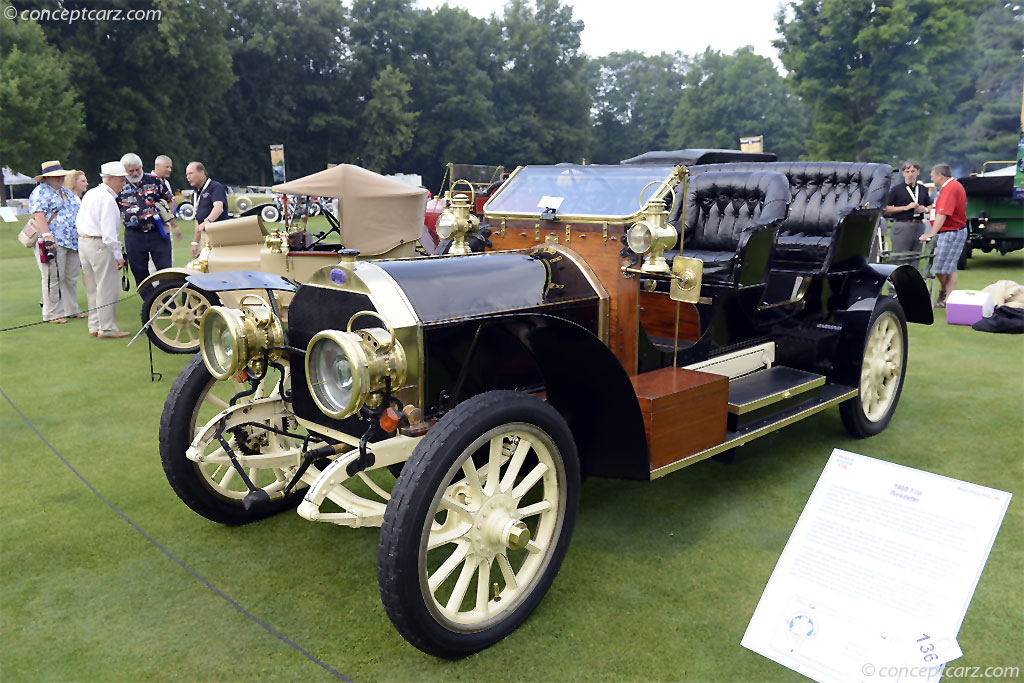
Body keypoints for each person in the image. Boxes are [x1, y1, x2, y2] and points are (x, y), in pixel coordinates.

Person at [77, 162, 131, 339]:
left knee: (93, 288)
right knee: (107, 288)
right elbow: (109, 233)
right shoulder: (107, 199)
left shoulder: (91, 193)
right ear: (111, 179)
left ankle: (95, 325)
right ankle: (107, 328)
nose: (123, 184)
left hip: (84, 244)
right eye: (121, 180)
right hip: (100, 245)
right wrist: (118, 255)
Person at [28, 160, 83, 323]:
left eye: (61, 176)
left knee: (71, 277)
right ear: (46, 178)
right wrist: (47, 236)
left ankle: (70, 309)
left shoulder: (66, 192)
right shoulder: (40, 192)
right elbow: (39, 215)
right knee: (53, 277)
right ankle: (51, 313)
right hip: (53, 241)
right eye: (56, 176)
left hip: (71, 240)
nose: (60, 179)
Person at [117, 152, 176, 296]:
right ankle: (151, 302)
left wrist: (169, 220)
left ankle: (168, 302)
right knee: (139, 271)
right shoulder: (119, 185)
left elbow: (170, 200)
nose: (136, 173)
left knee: (165, 270)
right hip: (134, 234)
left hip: (157, 231)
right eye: (131, 171)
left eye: (138, 169)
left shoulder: (154, 180)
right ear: (125, 171)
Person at [920, 164, 968, 307]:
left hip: (951, 233)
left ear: (940, 175)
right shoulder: (950, 187)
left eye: (932, 175)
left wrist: (932, 233)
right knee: (950, 266)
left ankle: (944, 291)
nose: (931, 178)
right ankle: (948, 298)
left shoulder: (950, 188)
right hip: (952, 232)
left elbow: (942, 214)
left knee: (940, 267)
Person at [884, 159, 931, 256]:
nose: (910, 174)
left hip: (919, 225)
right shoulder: (896, 190)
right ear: (903, 173)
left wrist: (925, 209)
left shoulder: (923, 189)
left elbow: (931, 206)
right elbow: (885, 209)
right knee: (899, 257)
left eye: (913, 171)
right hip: (902, 225)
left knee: (916, 257)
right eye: (907, 171)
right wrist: (905, 208)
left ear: (918, 172)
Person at [185, 161, 228, 259]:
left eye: (191, 173)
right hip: (205, 236)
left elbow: (218, 208)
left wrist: (207, 221)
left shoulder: (215, 187)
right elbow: (198, 220)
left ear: (202, 173)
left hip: (219, 233)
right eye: (187, 174)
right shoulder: (195, 193)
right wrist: (195, 242)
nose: (188, 177)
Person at [150, 154, 182, 237]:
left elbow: (170, 204)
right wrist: (175, 226)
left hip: (167, 224)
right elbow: (161, 207)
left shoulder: (166, 182)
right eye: (166, 167)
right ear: (157, 166)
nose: (170, 170)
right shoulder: (148, 182)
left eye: (170, 167)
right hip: (155, 227)